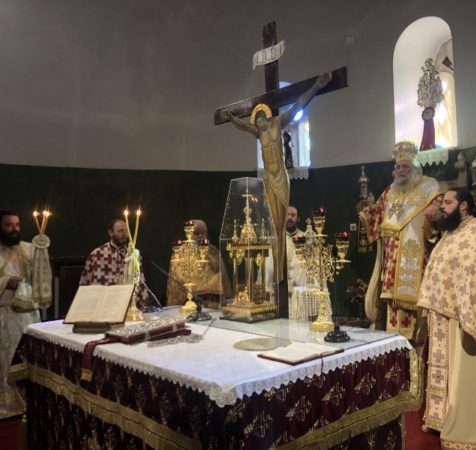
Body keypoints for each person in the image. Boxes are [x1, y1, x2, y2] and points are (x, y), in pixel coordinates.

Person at [417, 188, 476, 449]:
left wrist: (465, 307)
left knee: (466, 374)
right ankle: (441, 419)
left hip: (469, 321)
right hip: (446, 317)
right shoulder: (451, 234)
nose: (442, 206)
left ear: (464, 206)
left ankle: (474, 429)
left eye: (448, 202)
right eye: (442, 202)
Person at [222, 72, 332, 286]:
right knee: (272, 223)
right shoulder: (258, 131)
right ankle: (276, 272)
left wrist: (317, 86)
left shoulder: (278, 123)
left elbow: (298, 106)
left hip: (280, 175)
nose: (260, 124)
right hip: (268, 178)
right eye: (257, 122)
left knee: (280, 222)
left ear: (266, 117)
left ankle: (281, 269)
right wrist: (231, 118)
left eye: (261, 120)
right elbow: (242, 126)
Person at [359, 141, 440, 339]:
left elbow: (439, 203)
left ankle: (415, 344)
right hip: (391, 259)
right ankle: (393, 343)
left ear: (415, 168)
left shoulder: (428, 186)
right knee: (391, 302)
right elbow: (378, 210)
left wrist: (435, 207)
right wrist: (365, 214)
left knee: (413, 304)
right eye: (398, 167)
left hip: (414, 255)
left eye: (405, 166)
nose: (401, 171)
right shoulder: (390, 191)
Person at [0, 210, 51, 418]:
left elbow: (40, 276)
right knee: (6, 359)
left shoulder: (29, 249)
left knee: (29, 359)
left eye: (17, 225)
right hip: (5, 317)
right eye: (8, 225)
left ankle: (28, 402)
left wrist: (42, 252)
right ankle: (8, 404)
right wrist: (5, 282)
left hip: (29, 316)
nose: (14, 229)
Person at [79, 219, 149, 309]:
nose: (124, 234)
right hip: (103, 306)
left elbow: (141, 281)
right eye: (120, 231)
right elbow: (84, 284)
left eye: (126, 231)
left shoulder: (132, 254)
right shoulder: (97, 254)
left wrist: (143, 305)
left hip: (127, 305)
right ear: (110, 233)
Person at [166, 219, 232, 309]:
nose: (200, 236)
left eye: (203, 233)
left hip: (213, 302)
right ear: (189, 233)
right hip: (189, 302)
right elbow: (178, 274)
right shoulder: (180, 252)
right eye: (196, 233)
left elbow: (222, 272)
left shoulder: (213, 250)